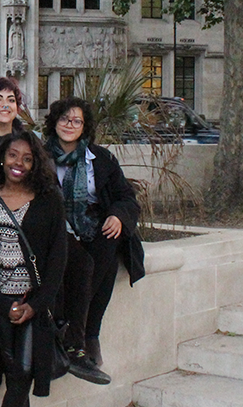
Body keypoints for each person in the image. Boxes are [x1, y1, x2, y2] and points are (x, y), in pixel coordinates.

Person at [43, 97, 144, 384]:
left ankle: (76, 330)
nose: (69, 125)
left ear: (85, 127)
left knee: (110, 244)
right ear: (54, 122)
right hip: (56, 229)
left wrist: (118, 215)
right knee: (93, 264)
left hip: (91, 226)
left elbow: (126, 197)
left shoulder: (100, 159)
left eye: (76, 121)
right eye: (64, 119)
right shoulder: (40, 156)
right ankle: (86, 337)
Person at [0, 131, 67, 407]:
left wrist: (36, 305)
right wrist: (1, 305)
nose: (19, 163)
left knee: (23, 372)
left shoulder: (49, 202)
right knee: (14, 373)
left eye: (27, 159)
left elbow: (58, 258)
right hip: (0, 304)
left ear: (35, 164)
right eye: (13, 155)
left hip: (32, 301)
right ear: (1, 159)